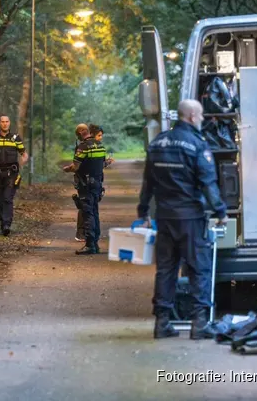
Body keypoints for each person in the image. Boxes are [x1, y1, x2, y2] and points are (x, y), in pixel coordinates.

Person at [136, 99, 229, 339]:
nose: (202, 120)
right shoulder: (196, 145)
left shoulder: (158, 143)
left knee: (166, 269)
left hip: (165, 217)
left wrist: (143, 211)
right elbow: (208, 183)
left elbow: (148, 183)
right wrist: (220, 212)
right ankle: (199, 325)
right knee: (199, 268)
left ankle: (162, 322)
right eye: (199, 116)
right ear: (190, 116)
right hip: (190, 218)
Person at [63, 123, 106, 255]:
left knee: (88, 213)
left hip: (86, 184)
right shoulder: (100, 145)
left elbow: (76, 166)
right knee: (95, 212)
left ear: (81, 133)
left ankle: (89, 244)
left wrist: (67, 169)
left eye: (78, 135)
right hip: (97, 183)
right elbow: (103, 163)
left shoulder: (83, 147)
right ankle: (96, 243)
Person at [75, 124, 114, 242]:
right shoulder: (89, 147)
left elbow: (79, 165)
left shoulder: (90, 147)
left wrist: (106, 163)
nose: (100, 138)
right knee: (89, 209)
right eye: (99, 135)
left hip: (90, 182)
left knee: (89, 209)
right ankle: (88, 236)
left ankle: (91, 239)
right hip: (90, 182)